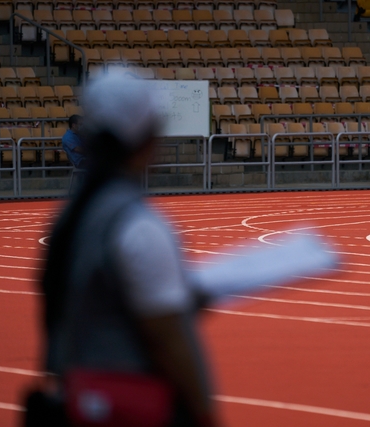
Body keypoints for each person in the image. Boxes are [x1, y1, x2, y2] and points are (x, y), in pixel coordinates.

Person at [36, 74, 220, 427]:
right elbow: (168, 336)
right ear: (148, 140)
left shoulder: (72, 217)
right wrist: (203, 411)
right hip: (128, 400)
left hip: (77, 395)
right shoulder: (138, 224)